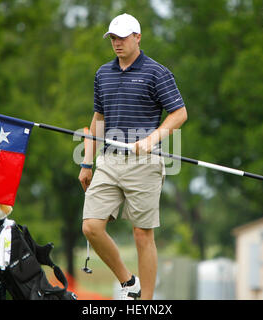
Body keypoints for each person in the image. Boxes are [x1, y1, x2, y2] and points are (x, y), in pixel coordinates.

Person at [78, 13, 187, 300]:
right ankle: (129, 283)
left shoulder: (156, 72)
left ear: (138, 37)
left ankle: (146, 302)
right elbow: (97, 119)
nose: (117, 43)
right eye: (113, 38)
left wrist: (152, 139)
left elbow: (179, 113)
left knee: (142, 234)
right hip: (109, 160)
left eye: (123, 37)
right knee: (91, 226)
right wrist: (86, 162)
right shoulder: (103, 73)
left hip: (145, 163)